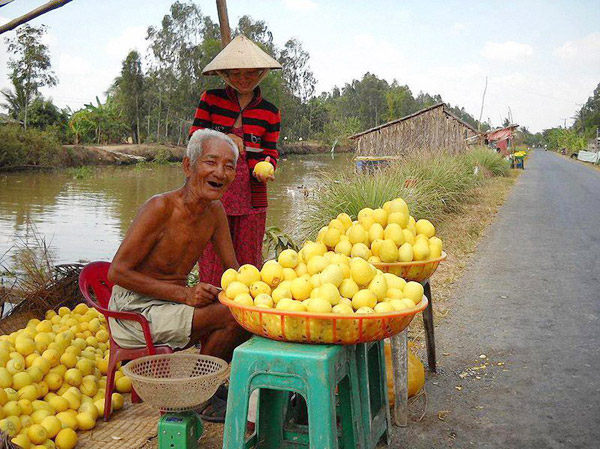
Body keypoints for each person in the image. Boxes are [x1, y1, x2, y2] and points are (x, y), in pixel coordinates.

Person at [107, 129, 248, 363]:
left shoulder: (214, 212)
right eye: (210, 162)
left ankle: (201, 386)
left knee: (246, 313)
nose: (220, 173)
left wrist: (261, 291)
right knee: (233, 316)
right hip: (134, 311)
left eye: (229, 166)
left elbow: (231, 269)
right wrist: (185, 294)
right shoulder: (160, 208)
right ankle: (199, 389)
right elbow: (117, 272)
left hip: (171, 304)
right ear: (188, 166)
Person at [189, 35, 282, 287]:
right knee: (211, 254)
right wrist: (224, 137)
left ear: (261, 73)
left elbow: (270, 151)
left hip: (252, 194)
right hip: (213, 190)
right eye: (236, 74)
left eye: (250, 74)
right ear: (226, 74)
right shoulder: (211, 99)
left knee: (248, 260)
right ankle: (210, 308)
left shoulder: (270, 111)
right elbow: (194, 138)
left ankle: (243, 316)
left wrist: (267, 167)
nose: (243, 79)